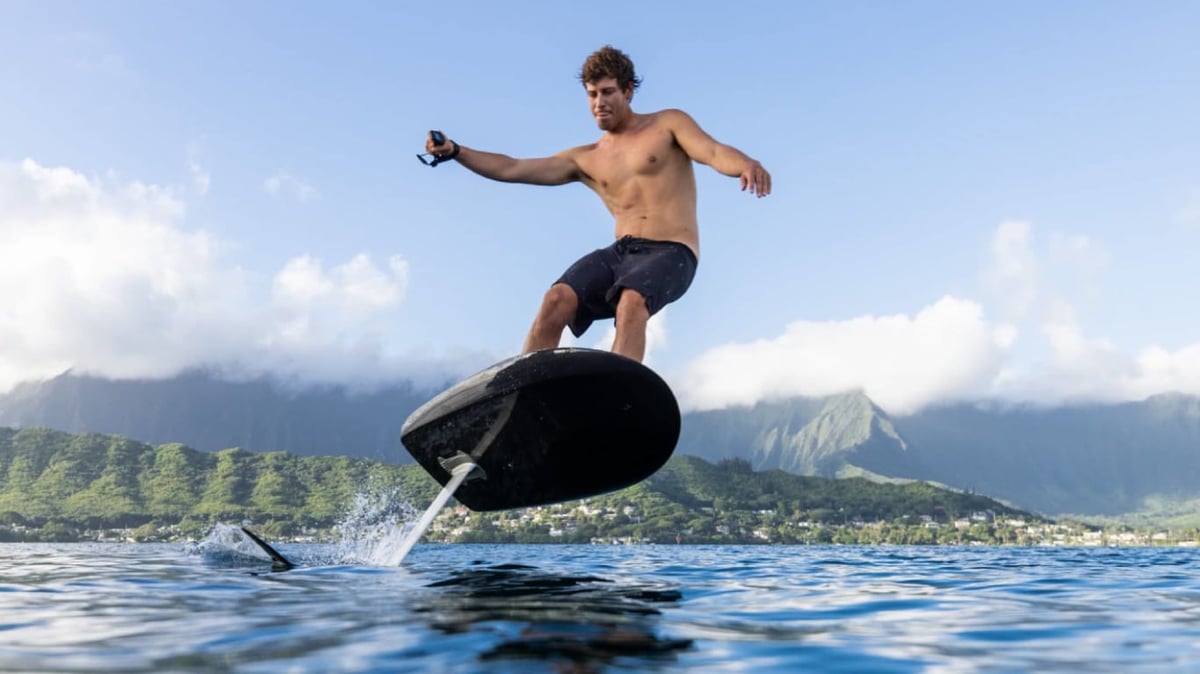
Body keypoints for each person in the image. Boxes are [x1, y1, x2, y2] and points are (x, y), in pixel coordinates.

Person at [424, 45, 771, 363]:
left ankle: (619, 398)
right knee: (556, 299)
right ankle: (527, 396)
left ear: (628, 92)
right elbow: (511, 167)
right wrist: (456, 151)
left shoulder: (667, 124)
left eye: (607, 92)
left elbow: (712, 151)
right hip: (621, 252)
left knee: (631, 301)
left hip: (672, 251)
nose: (598, 103)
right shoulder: (586, 158)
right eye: (592, 94)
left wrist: (745, 164)